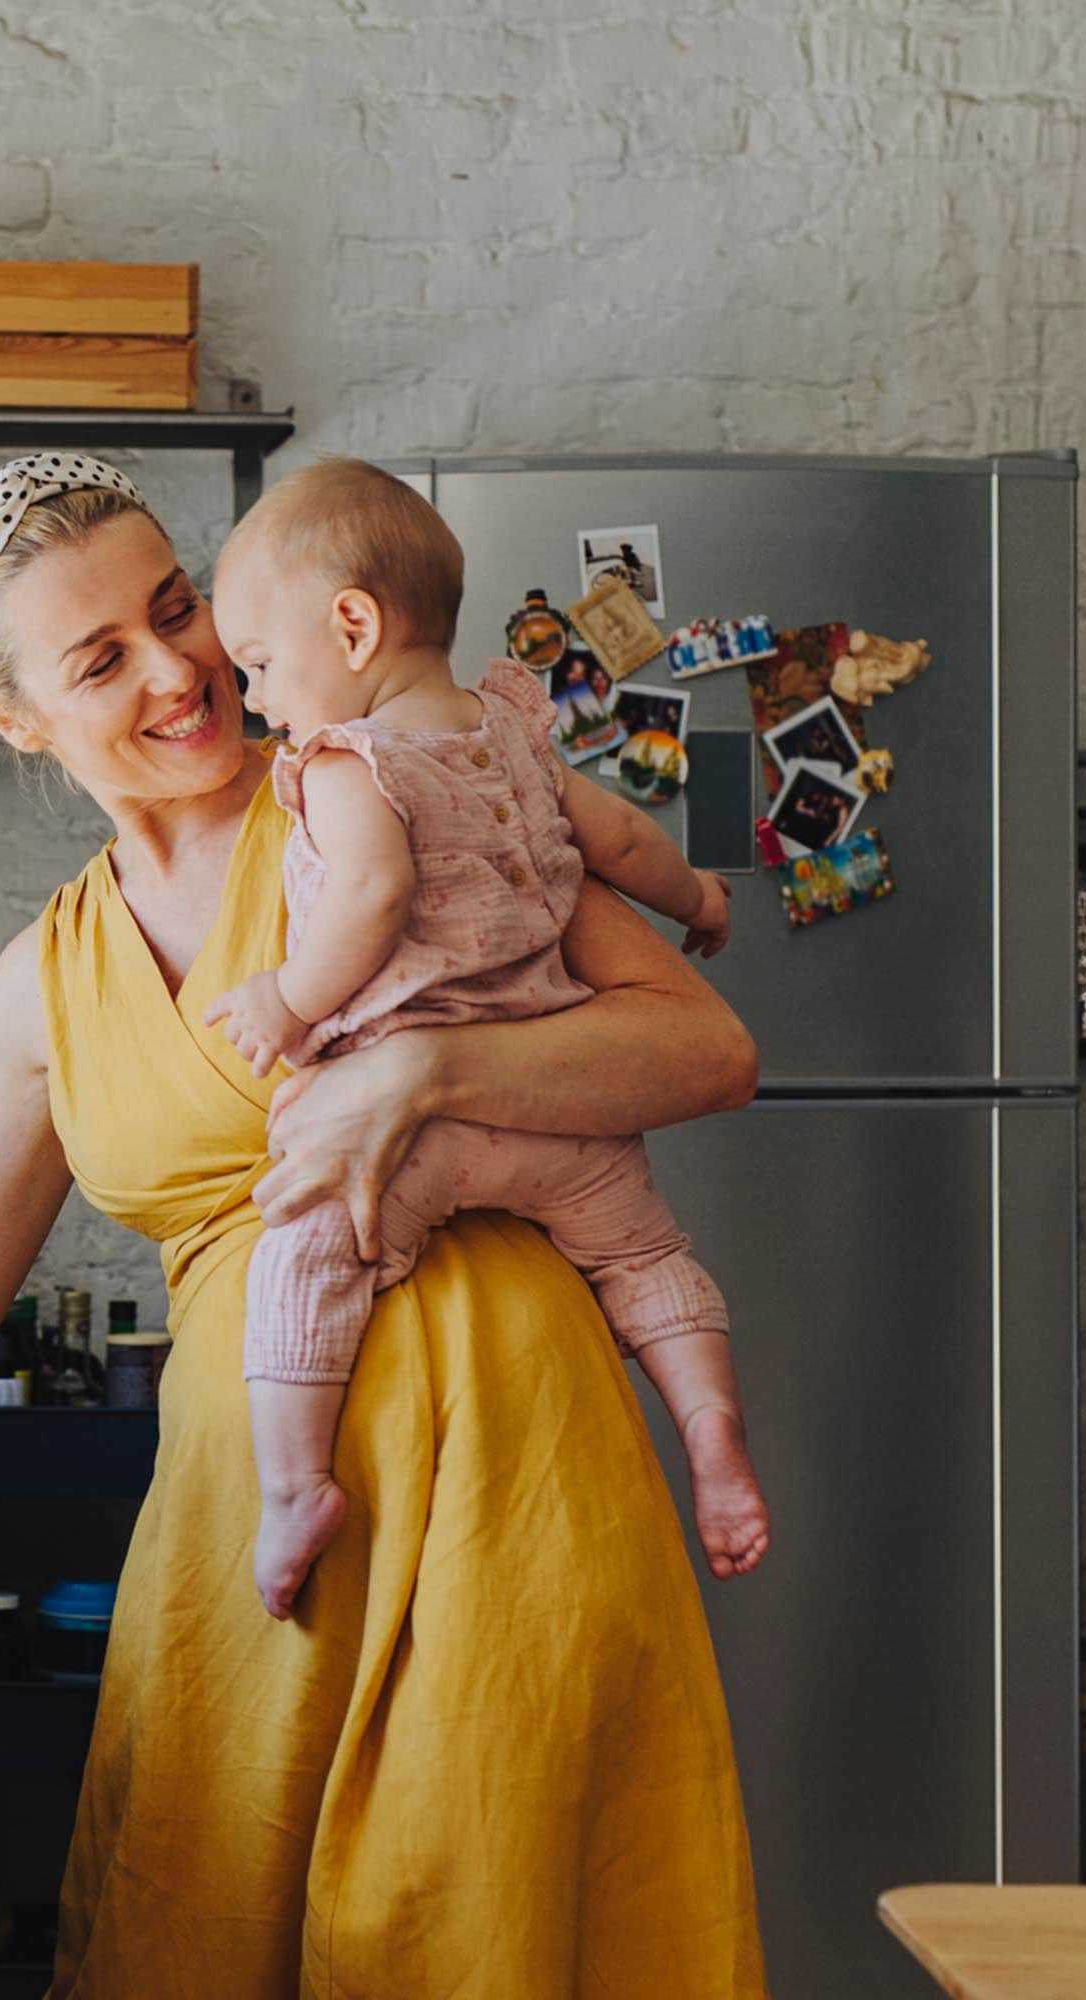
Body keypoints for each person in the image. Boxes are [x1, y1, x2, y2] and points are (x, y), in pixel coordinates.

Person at [0, 453, 770, 1997]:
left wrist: (436, 1069)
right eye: (104, 659)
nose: (182, 671)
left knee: (479, 1941)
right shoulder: (45, 981)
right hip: (258, 1541)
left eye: (178, 610)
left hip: (516, 1491)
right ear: (17, 718)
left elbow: (711, 1051)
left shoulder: (386, 780)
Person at [204, 458, 768, 1620]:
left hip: (418, 1130)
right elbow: (618, 837)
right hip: (560, 1107)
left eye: (259, 662)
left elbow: (367, 896)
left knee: (306, 1251)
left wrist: (287, 999)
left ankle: (291, 1486)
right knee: (645, 1257)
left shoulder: (346, 765)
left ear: (350, 625)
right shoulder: (512, 737)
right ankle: (710, 1429)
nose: (257, 699)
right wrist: (699, 900)